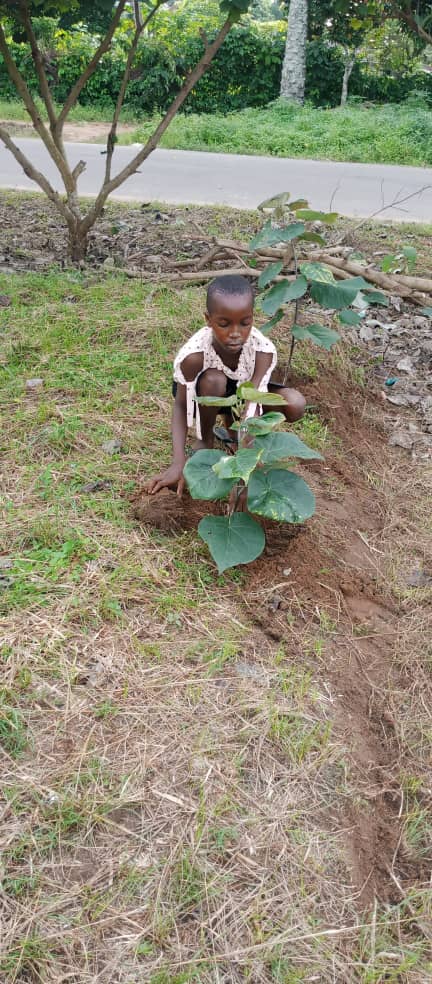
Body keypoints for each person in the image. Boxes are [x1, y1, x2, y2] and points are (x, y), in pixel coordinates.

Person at [145, 274, 306, 496]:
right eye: (224, 324)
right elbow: (181, 406)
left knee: (294, 403)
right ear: (208, 319)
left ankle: (232, 429)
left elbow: (254, 402)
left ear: (252, 318)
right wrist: (178, 462)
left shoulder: (263, 351)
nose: (235, 334)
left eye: (245, 323)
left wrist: (246, 458)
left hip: (243, 391)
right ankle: (205, 439)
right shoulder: (193, 356)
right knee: (214, 380)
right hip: (204, 393)